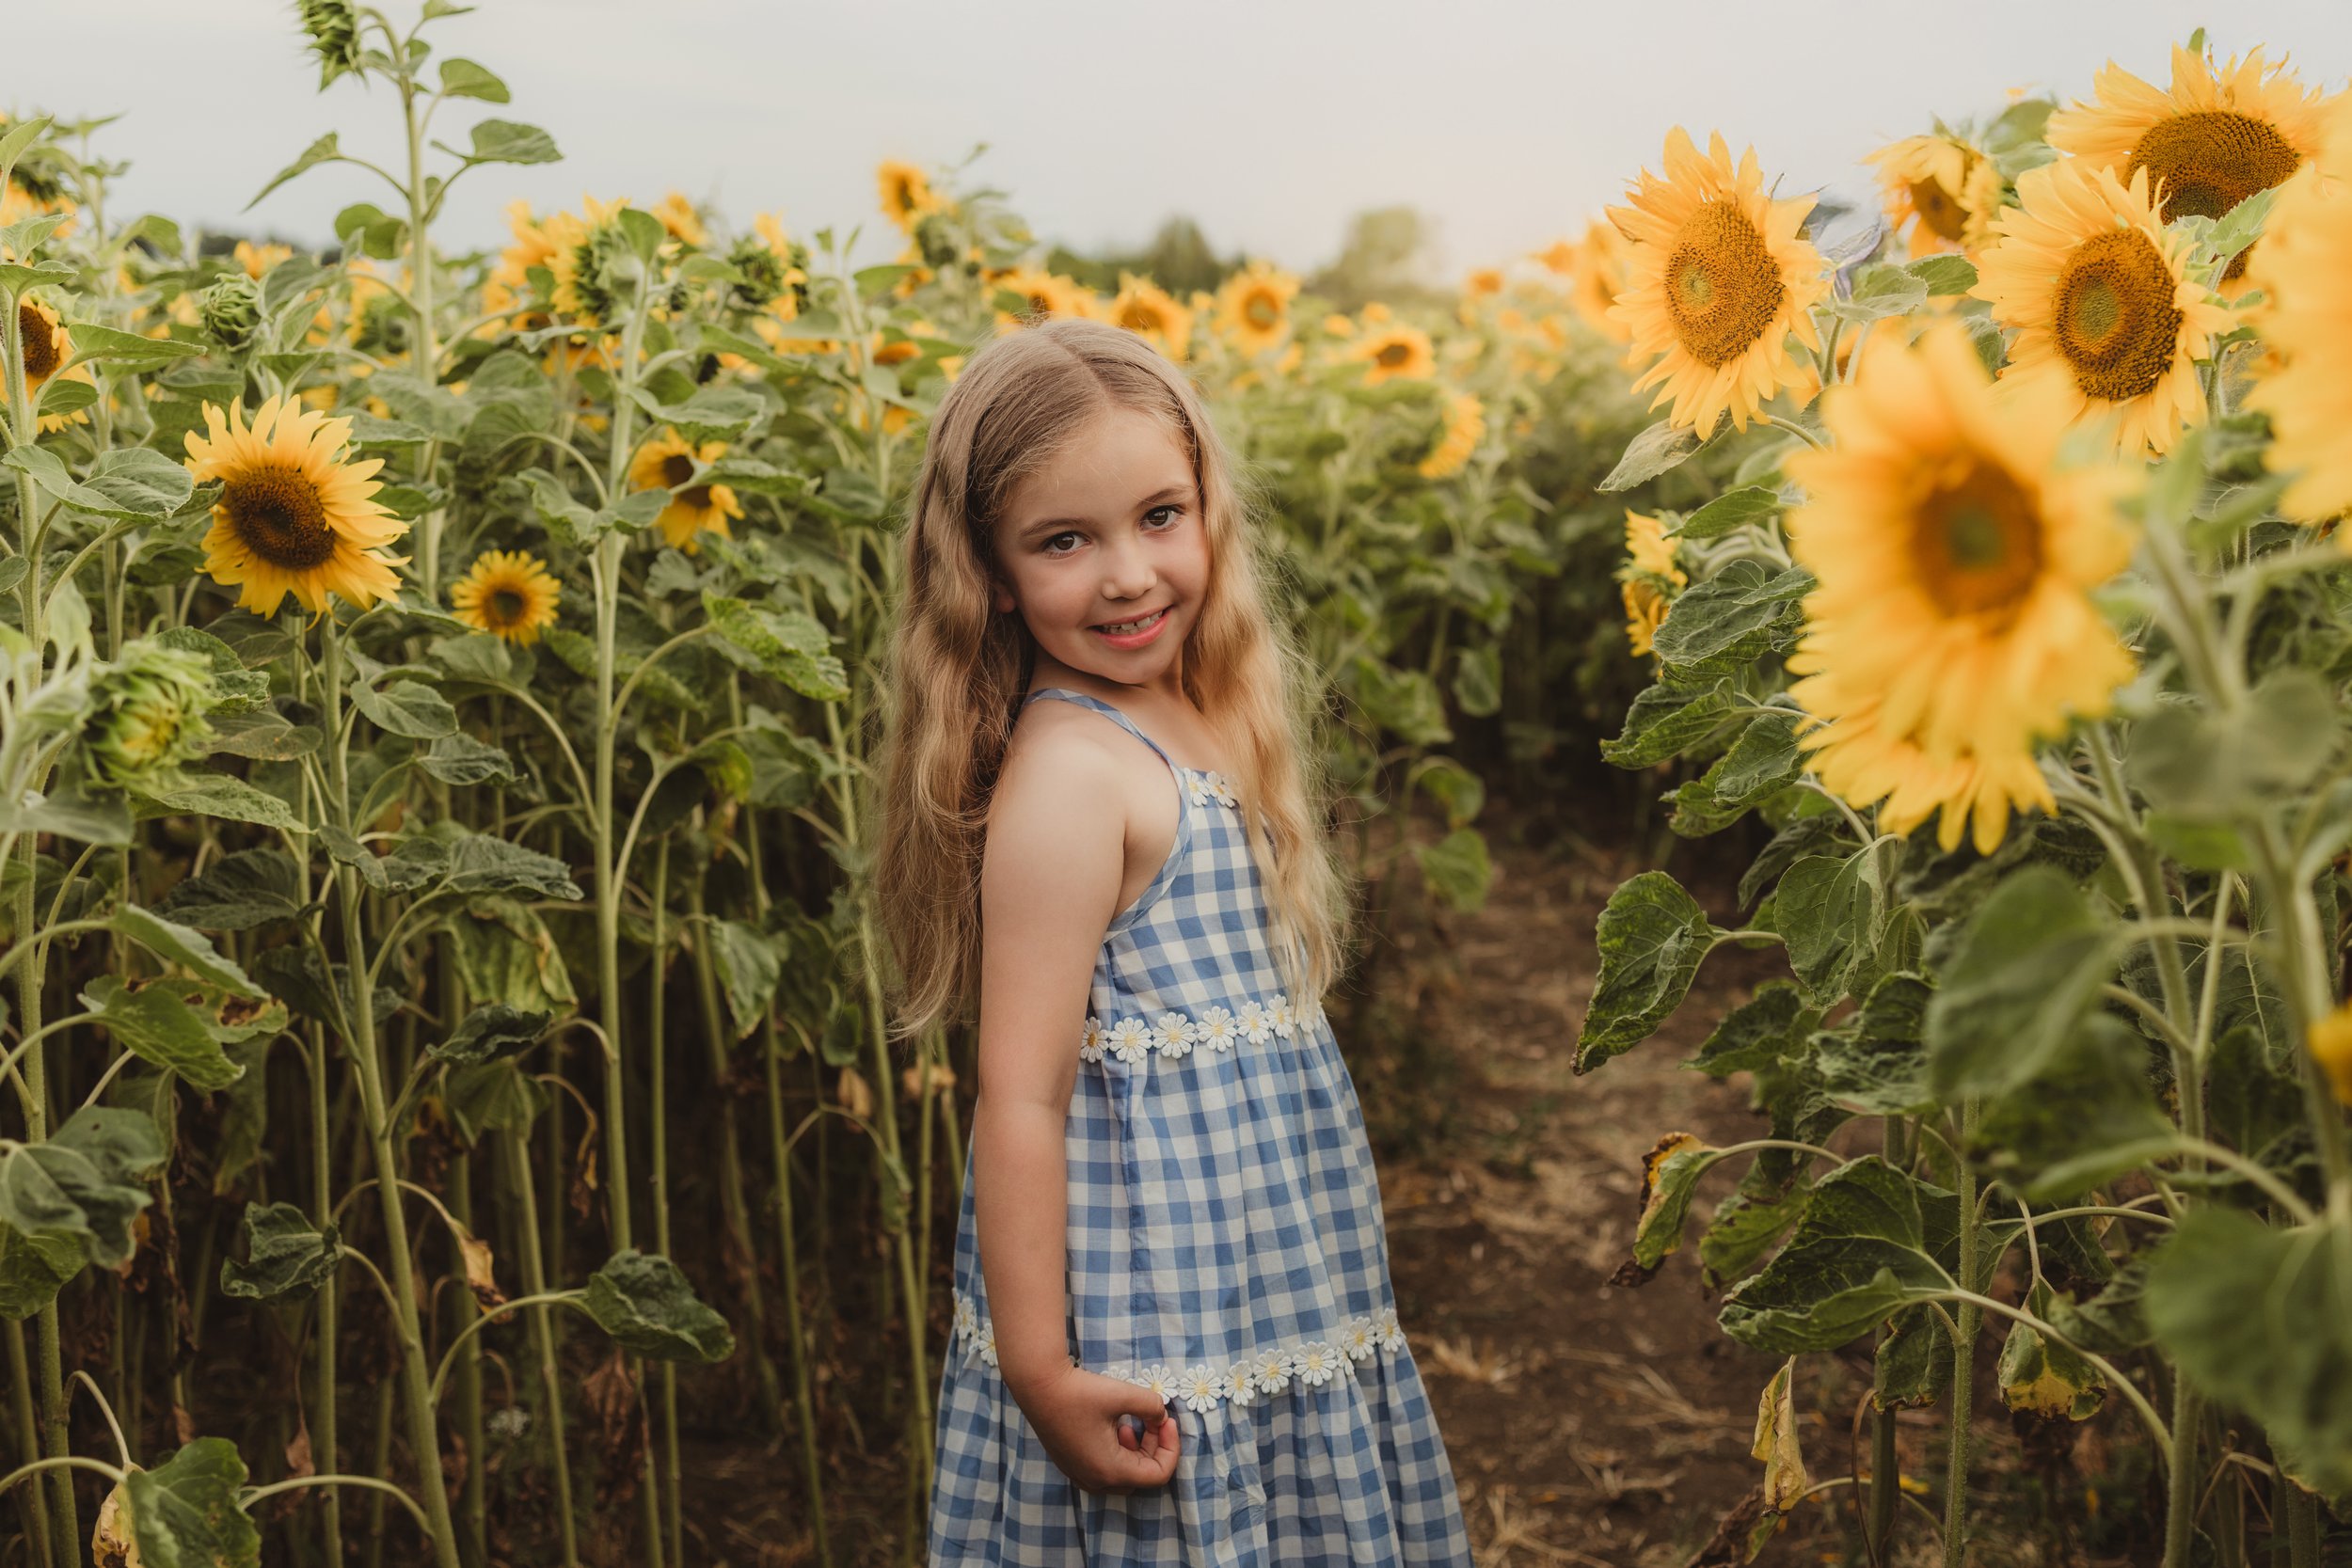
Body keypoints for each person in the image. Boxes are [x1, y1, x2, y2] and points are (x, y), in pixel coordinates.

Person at [874, 315, 1472, 1565]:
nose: (1130, 575)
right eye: (1064, 541)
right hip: (1150, 1295)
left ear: (1211, 510)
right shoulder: (1073, 782)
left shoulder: (1189, 713)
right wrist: (1043, 1371)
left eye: (1160, 516)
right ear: (989, 571)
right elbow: (1021, 1099)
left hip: (1256, 1265)